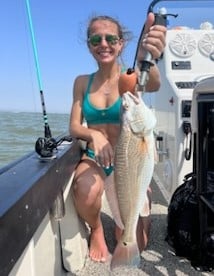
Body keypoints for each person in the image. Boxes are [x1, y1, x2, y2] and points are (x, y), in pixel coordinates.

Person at [69, 13, 166, 263]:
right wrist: (93, 135)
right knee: (85, 190)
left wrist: (150, 56)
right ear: (89, 45)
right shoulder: (81, 82)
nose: (104, 43)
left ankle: (141, 201)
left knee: (138, 243)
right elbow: (74, 127)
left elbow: (152, 83)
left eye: (111, 38)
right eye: (96, 39)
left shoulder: (130, 76)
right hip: (96, 157)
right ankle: (97, 229)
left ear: (121, 43)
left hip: (128, 162)